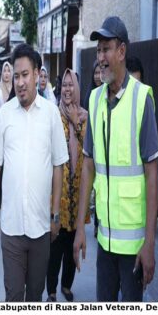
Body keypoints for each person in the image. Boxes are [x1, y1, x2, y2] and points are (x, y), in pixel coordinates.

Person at [73, 16, 158, 301]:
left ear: (121, 52)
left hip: (134, 247)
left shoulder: (141, 98)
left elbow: (152, 174)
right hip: (104, 241)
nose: (100, 58)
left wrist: (149, 243)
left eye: (106, 49)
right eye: (98, 50)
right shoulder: (95, 99)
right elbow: (88, 166)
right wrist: (80, 230)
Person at [0, 43, 68, 302]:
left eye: (25, 75)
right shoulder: (6, 114)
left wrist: (55, 213)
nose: (20, 82)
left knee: (34, 295)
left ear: (37, 74)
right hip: (10, 226)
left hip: (42, 227)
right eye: (16, 76)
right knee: (13, 295)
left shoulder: (51, 114)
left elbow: (58, 165)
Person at [46, 68, 88, 302]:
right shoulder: (54, 116)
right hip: (58, 192)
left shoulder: (84, 116)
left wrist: (76, 123)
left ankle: (67, 284)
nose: (67, 89)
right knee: (56, 244)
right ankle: (51, 288)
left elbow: (87, 150)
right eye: (64, 85)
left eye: (71, 85)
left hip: (77, 192)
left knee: (73, 241)